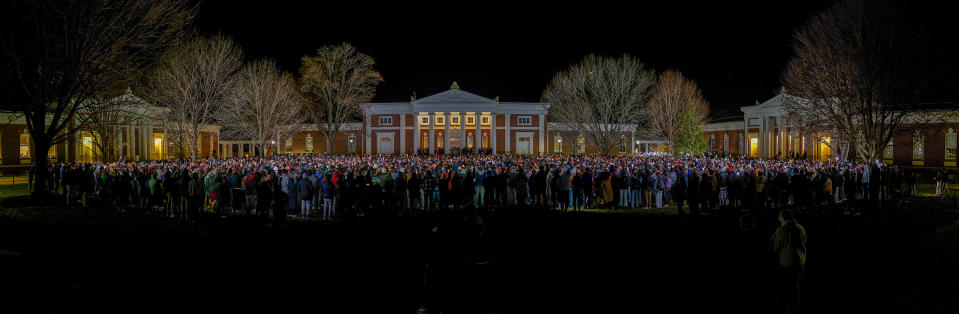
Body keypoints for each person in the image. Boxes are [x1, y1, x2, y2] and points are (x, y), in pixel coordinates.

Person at [770, 210, 807, 314]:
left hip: (786, 263)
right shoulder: (800, 228)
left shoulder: (781, 230)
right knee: (795, 286)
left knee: (786, 288)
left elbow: (774, 247)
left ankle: (788, 308)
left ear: (782, 218)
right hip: (800, 261)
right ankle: (795, 307)